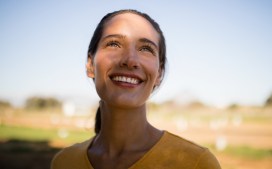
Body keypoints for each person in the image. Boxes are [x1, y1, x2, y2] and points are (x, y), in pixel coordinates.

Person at [51, 9, 221, 169]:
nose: (130, 60)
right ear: (90, 64)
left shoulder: (196, 163)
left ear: (159, 73)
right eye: (114, 44)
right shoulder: (64, 162)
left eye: (146, 48)